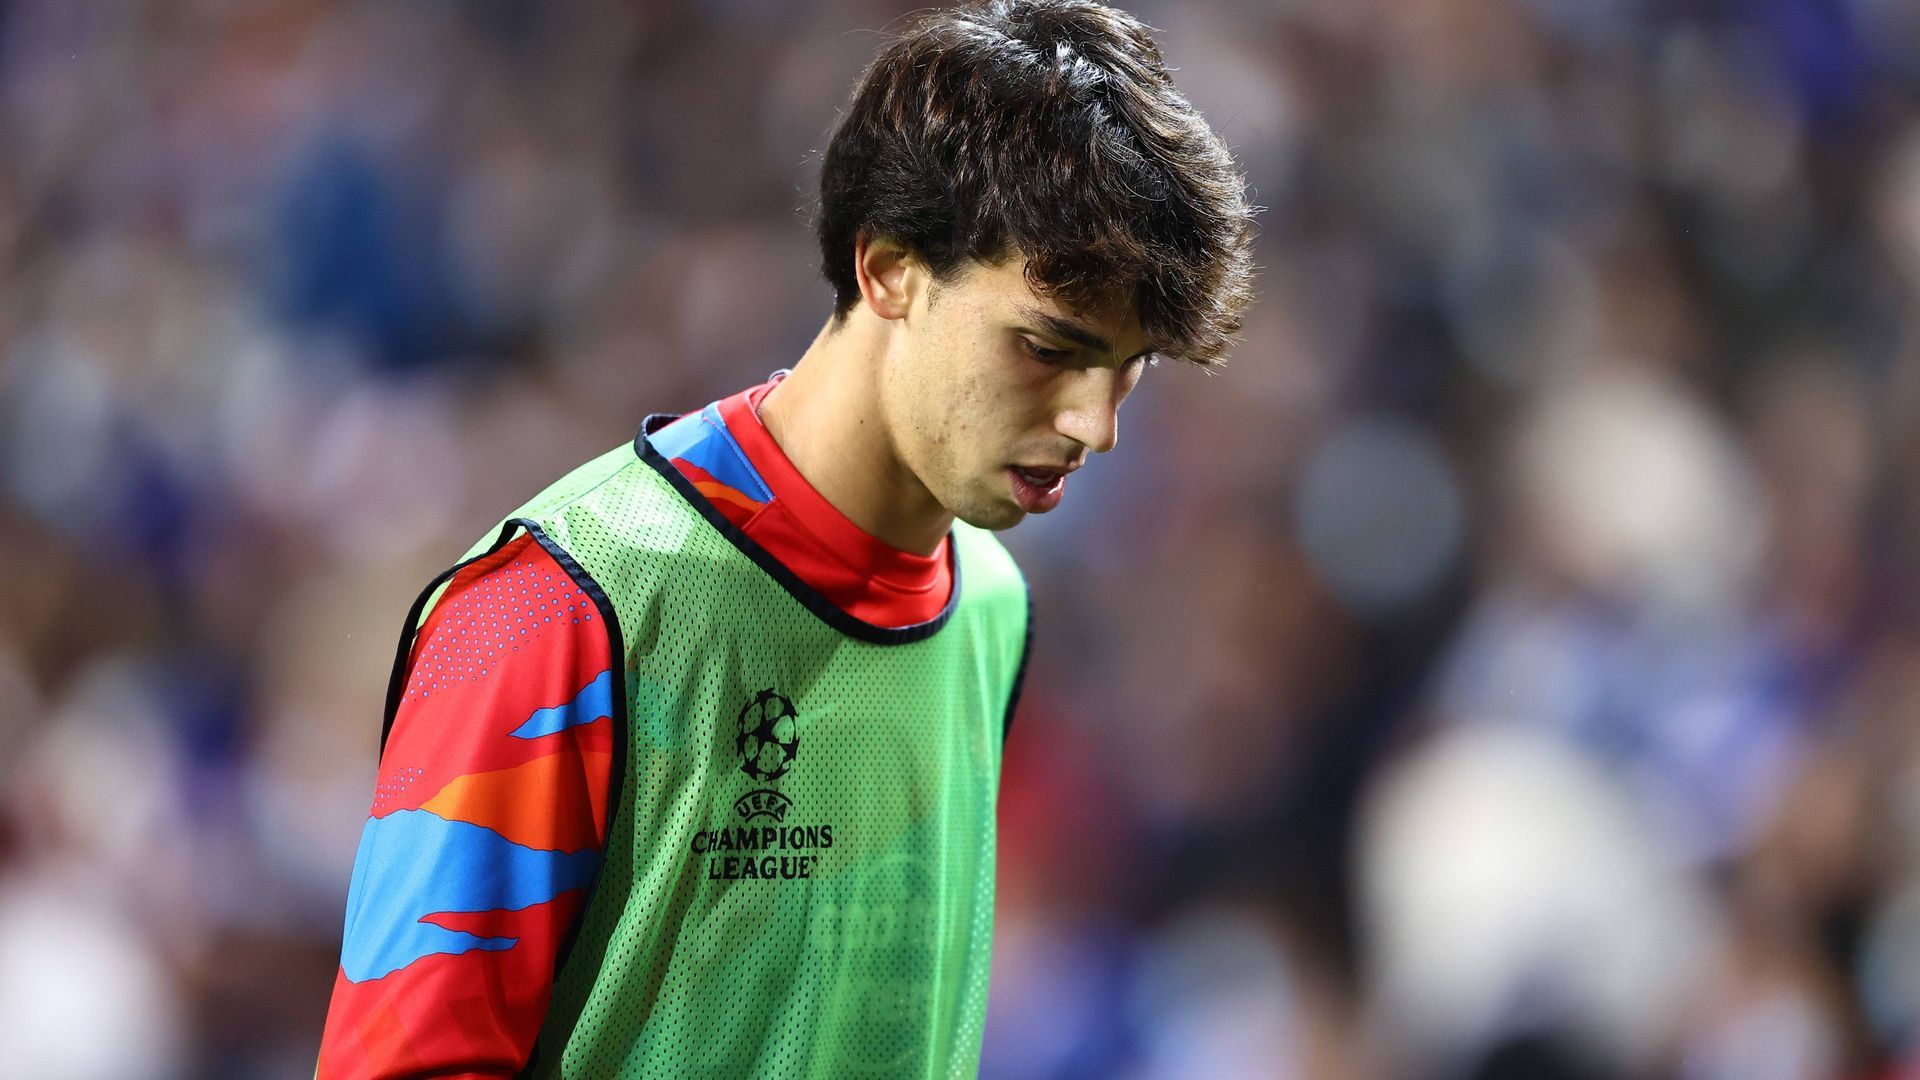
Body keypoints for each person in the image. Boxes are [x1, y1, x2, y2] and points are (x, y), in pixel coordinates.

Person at [315, 1, 1254, 1075]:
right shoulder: (553, 609)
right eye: (1048, 348)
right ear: (889, 267)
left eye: (1128, 370)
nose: (1097, 425)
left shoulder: (994, 606)